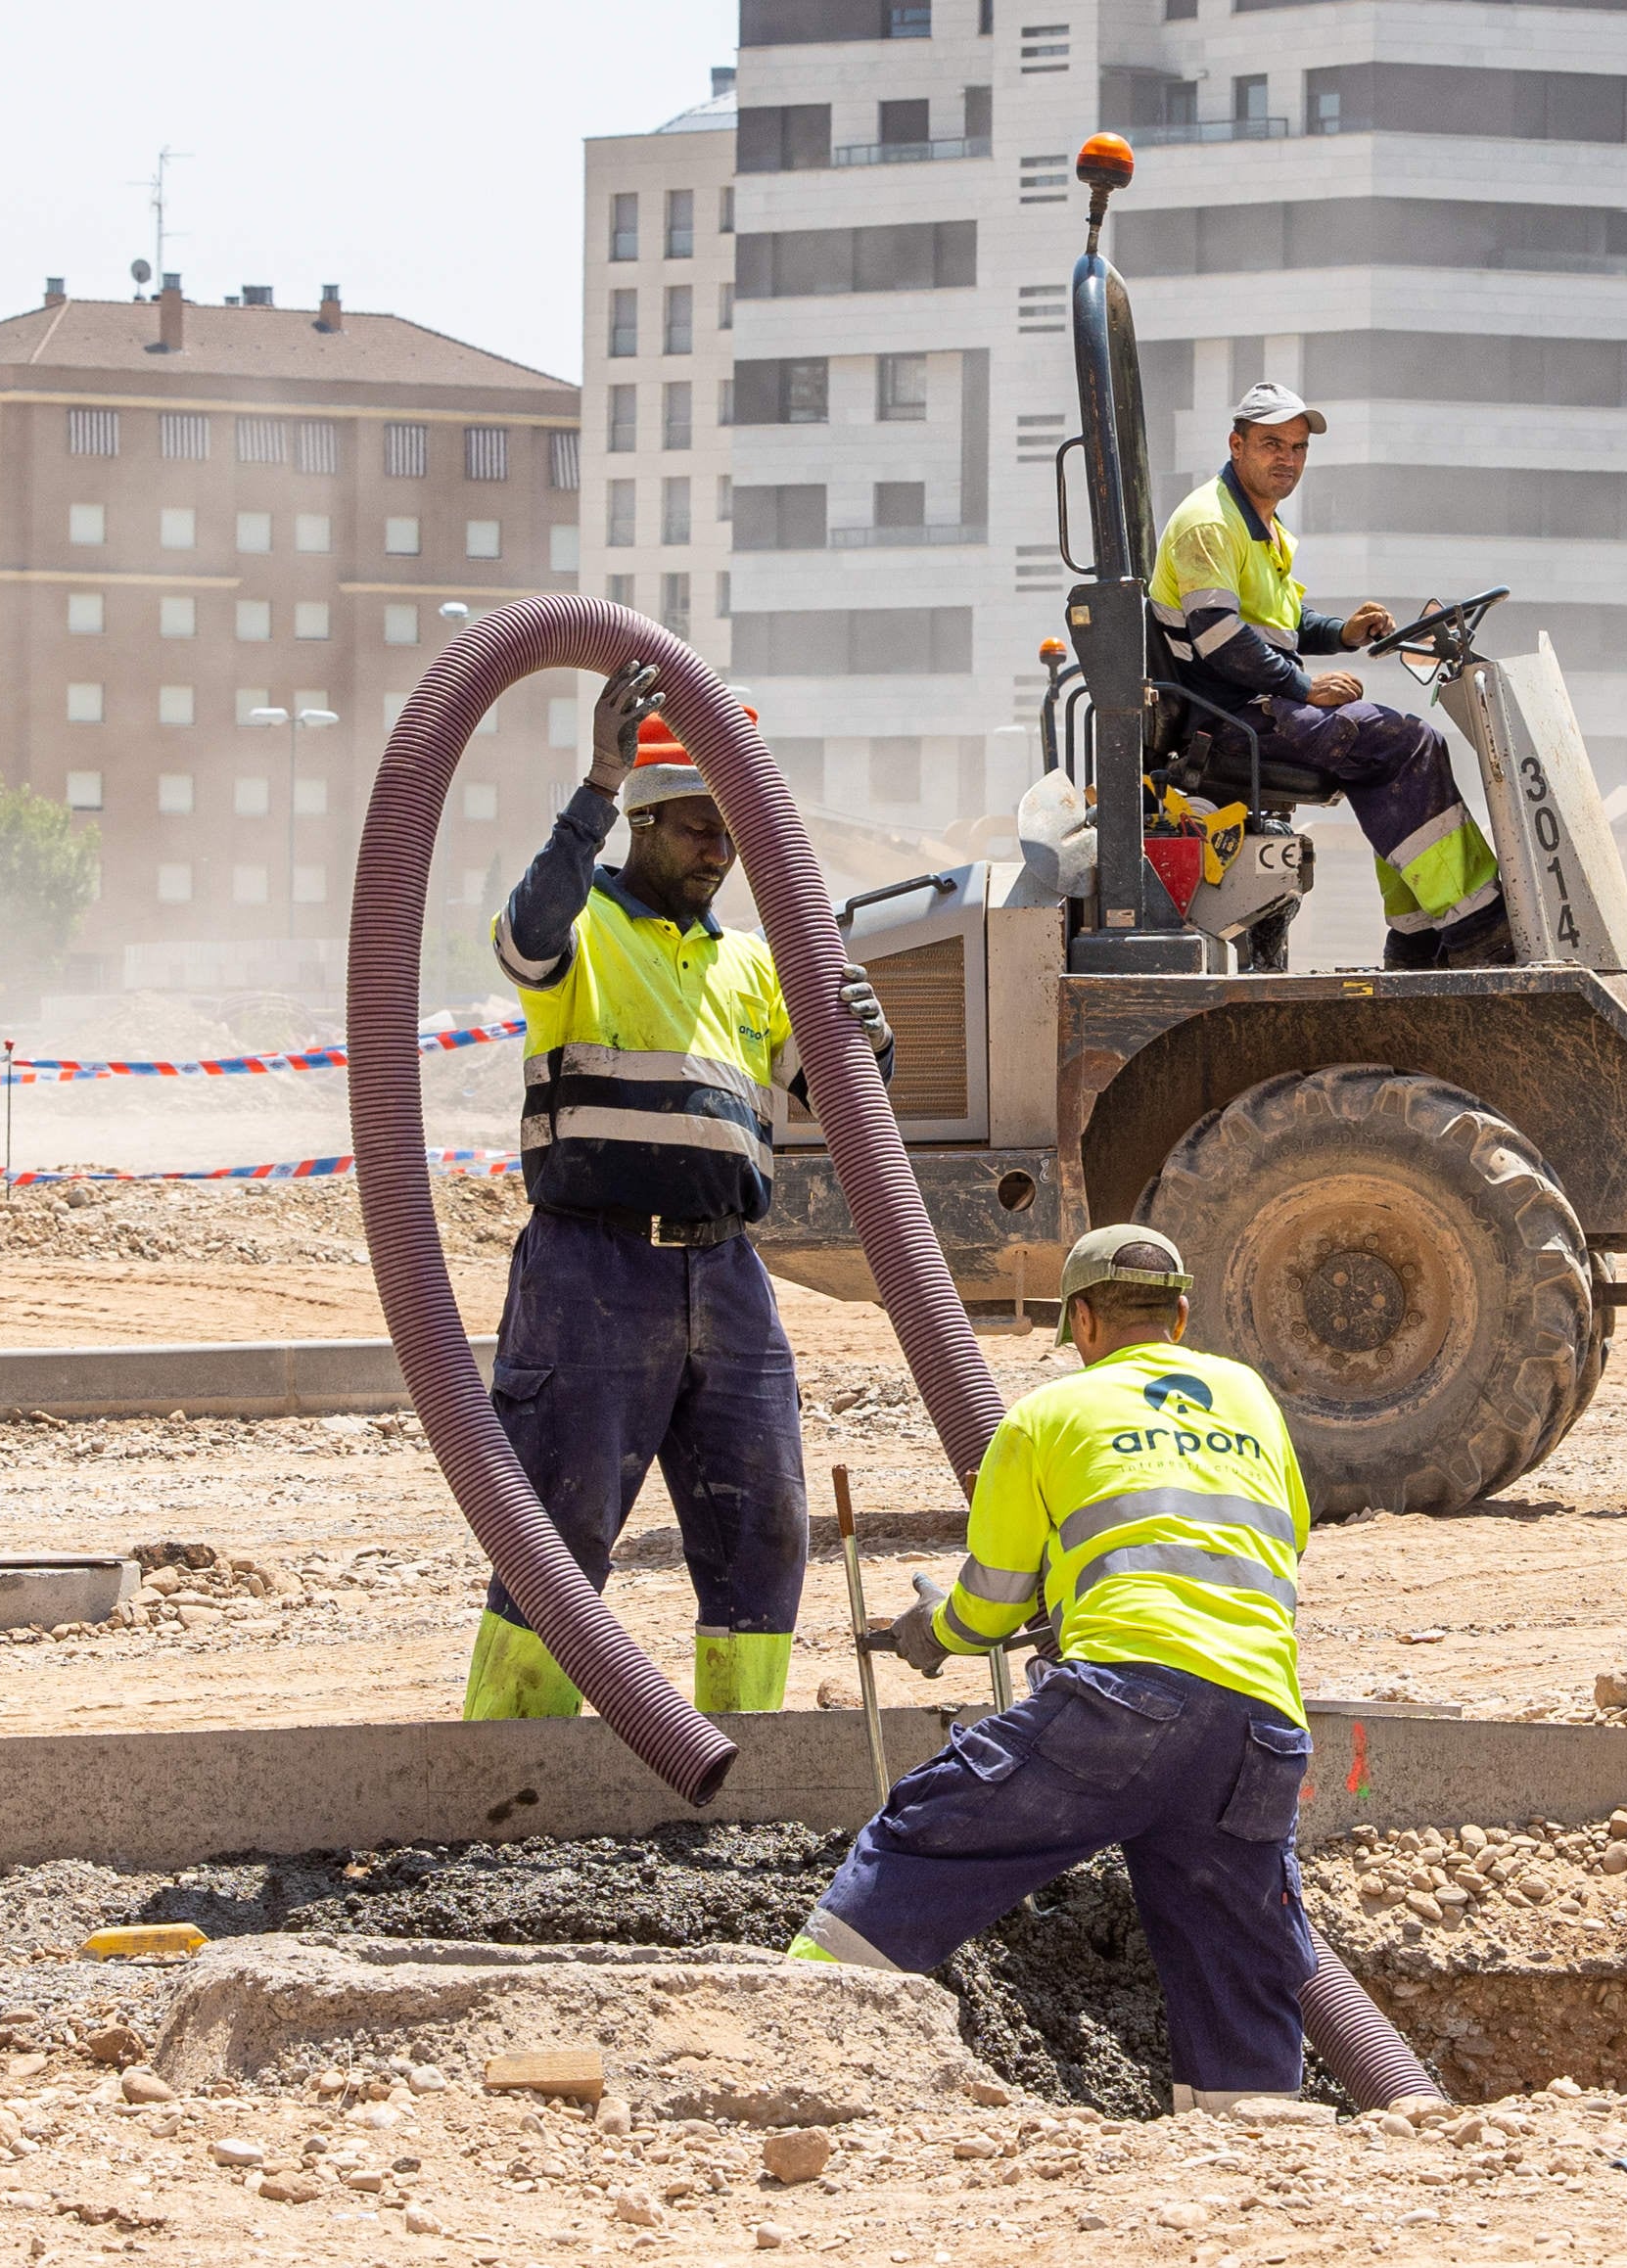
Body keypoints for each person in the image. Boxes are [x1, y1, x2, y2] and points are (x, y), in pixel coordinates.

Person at [788, 1224, 1321, 2115]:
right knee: (1234, 1948)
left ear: (1081, 1320)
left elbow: (993, 1600)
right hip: (1258, 1725)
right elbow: (1272, 1541)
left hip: (1122, 1701)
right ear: (1180, 1315)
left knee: (925, 1835)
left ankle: (794, 2030)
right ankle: (1251, 2148)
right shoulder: (1250, 1397)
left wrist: (937, 1630)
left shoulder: (1046, 1414)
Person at [464, 662, 895, 1722]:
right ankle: (508, 1778)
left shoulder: (751, 963)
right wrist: (599, 781)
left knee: (765, 1529)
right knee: (556, 1527)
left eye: (729, 830)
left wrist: (868, 1039)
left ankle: (738, 1760)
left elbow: (848, 1106)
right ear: (644, 826)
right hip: (591, 1269)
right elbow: (525, 934)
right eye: (698, 826)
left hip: (727, 1271)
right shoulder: (586, 934)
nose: (720, 849)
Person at [1149, 381, 1511, 970]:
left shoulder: (1261, 528)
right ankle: (1476, 928)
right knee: (1406, 741)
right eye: (1271, 444)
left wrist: (1341, 632)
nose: (1286, 459)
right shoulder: (1209, 524)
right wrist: (1304, 687)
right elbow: (1218, 638)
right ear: (1236, 445)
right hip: (1231, 719)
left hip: (1254, 707)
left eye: (1297, 447)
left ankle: (1417, 938)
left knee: (1385, 759)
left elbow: (1280, 627)